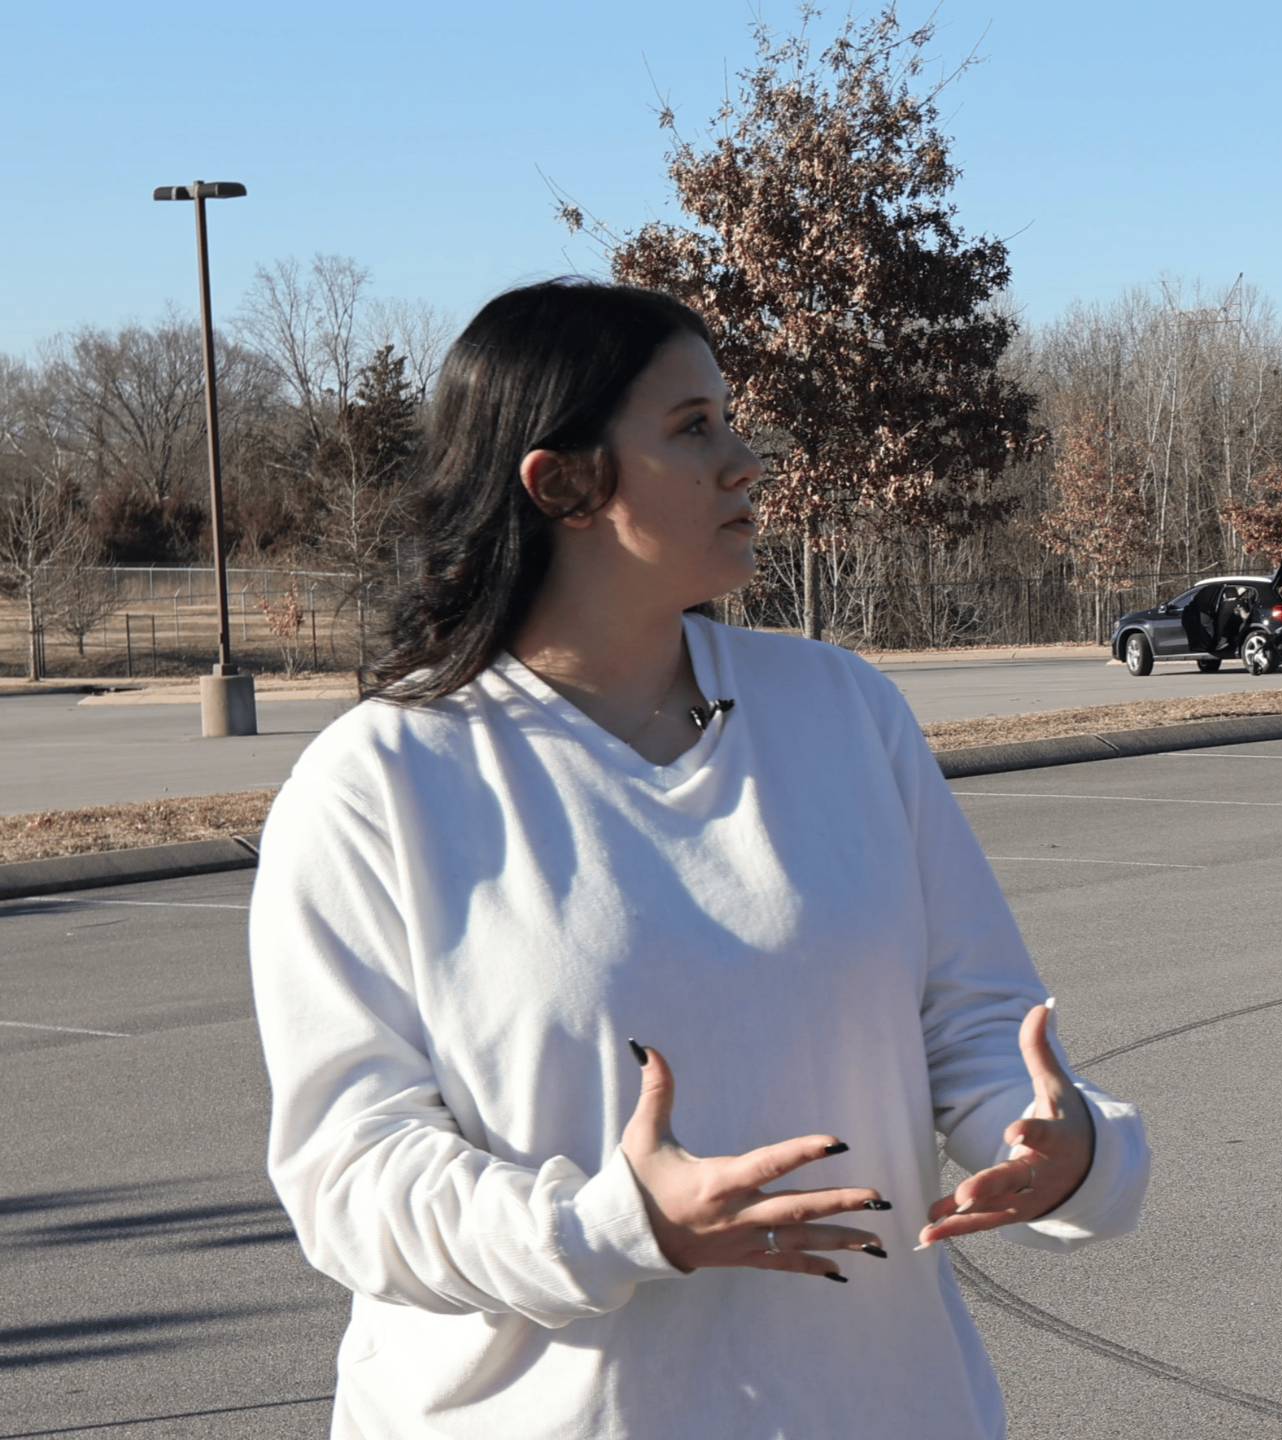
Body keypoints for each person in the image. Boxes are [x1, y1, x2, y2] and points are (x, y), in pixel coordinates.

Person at [249, 279, 1149, 1439]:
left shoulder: (842, 709)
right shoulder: (381, 781)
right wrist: (614, 1228)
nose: (744, 461)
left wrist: (1054, 1145)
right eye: (691, 428)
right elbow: (350, 1175)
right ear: (561, 484)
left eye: (729, 420)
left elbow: (973, 1021)